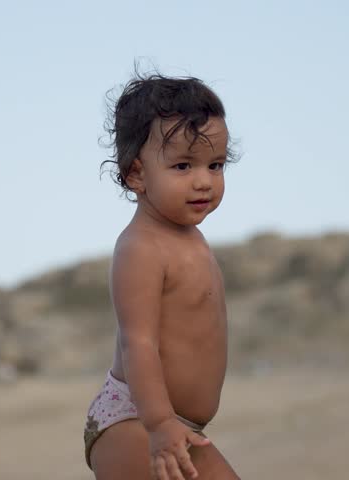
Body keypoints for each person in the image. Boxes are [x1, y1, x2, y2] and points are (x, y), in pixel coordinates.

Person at [83, 71, 241, 480]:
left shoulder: (192, 239)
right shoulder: (141, 247)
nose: (204, 180)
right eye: (183, 165)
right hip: (136, 421)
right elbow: (138, 343)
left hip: (172, 425)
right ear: (136, 174)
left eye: (216, 164)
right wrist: (157, 423)